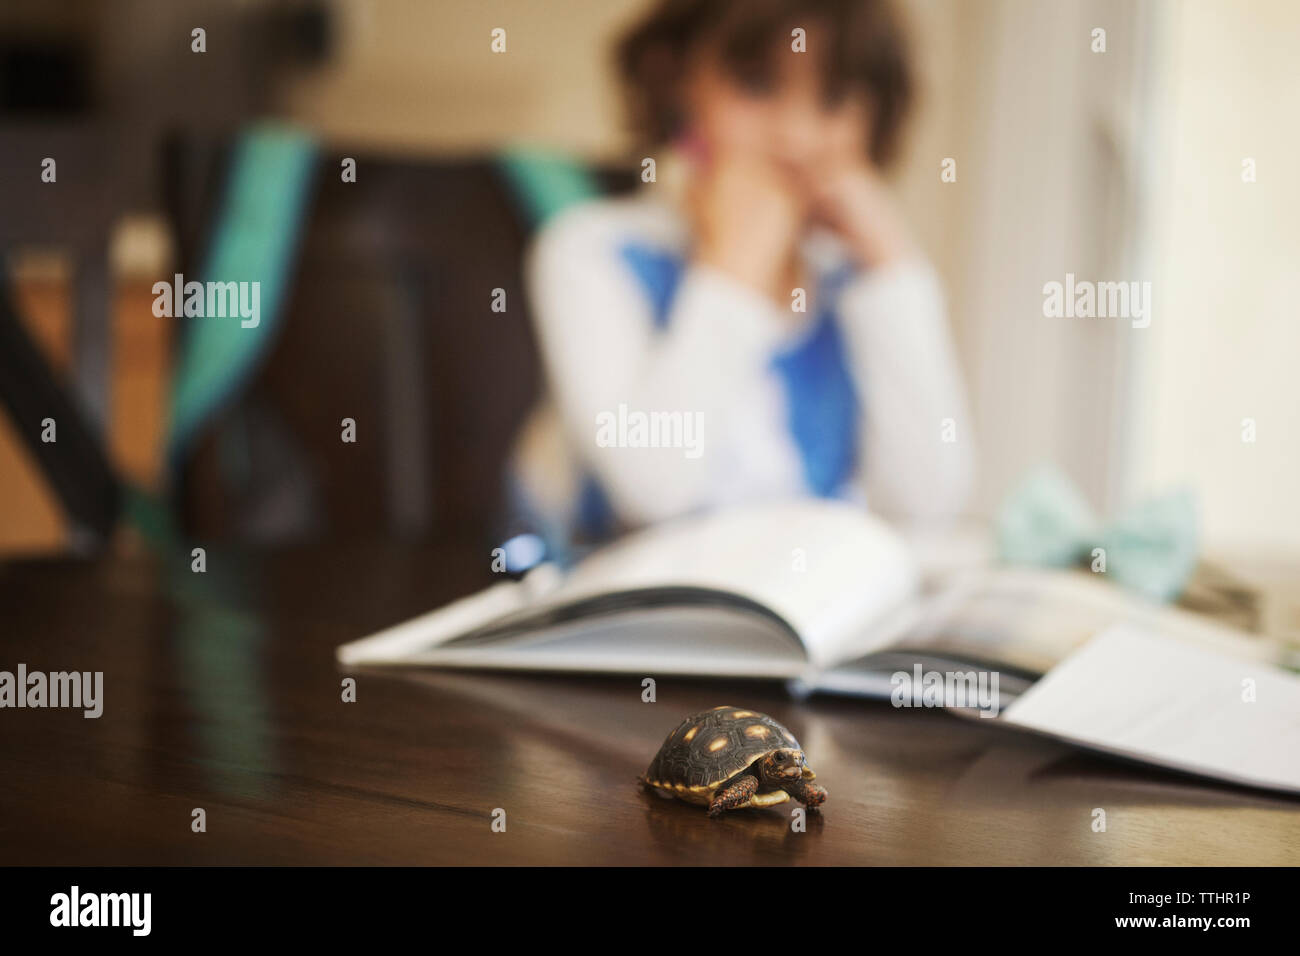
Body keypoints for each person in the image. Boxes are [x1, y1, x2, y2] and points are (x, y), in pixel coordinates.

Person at [509, 0, 973, 562]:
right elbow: (653, 489)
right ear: (676, 79)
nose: (796, 137)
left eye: (831, 99)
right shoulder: (590, 252)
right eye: (757, 86)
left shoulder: (850, 284)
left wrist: (896, 273)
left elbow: (926, 504)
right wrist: (733, 269)